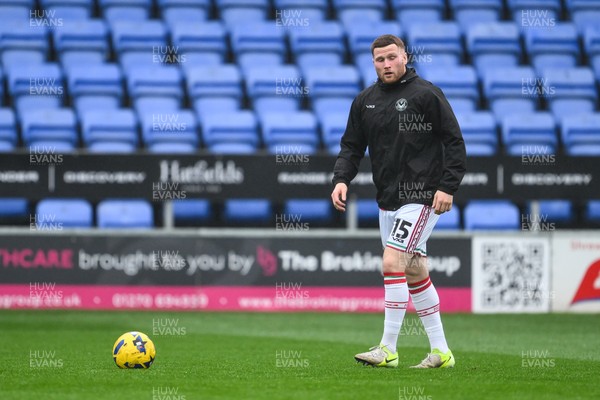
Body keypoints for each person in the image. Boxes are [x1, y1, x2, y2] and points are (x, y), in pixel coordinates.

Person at [330, 34, 466, 368]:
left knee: (392, 261)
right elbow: (351, 146)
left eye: (392, 57)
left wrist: (448, 186)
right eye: (380, 60)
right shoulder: (365, 101)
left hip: (421, 196)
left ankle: (387, 349)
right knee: (414, 270)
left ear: (405, 56)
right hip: (387, 200)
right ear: (373, 62)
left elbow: (455, 142)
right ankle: (441, 352)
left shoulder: (426, 93)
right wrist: (341, 179)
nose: (387, 64)